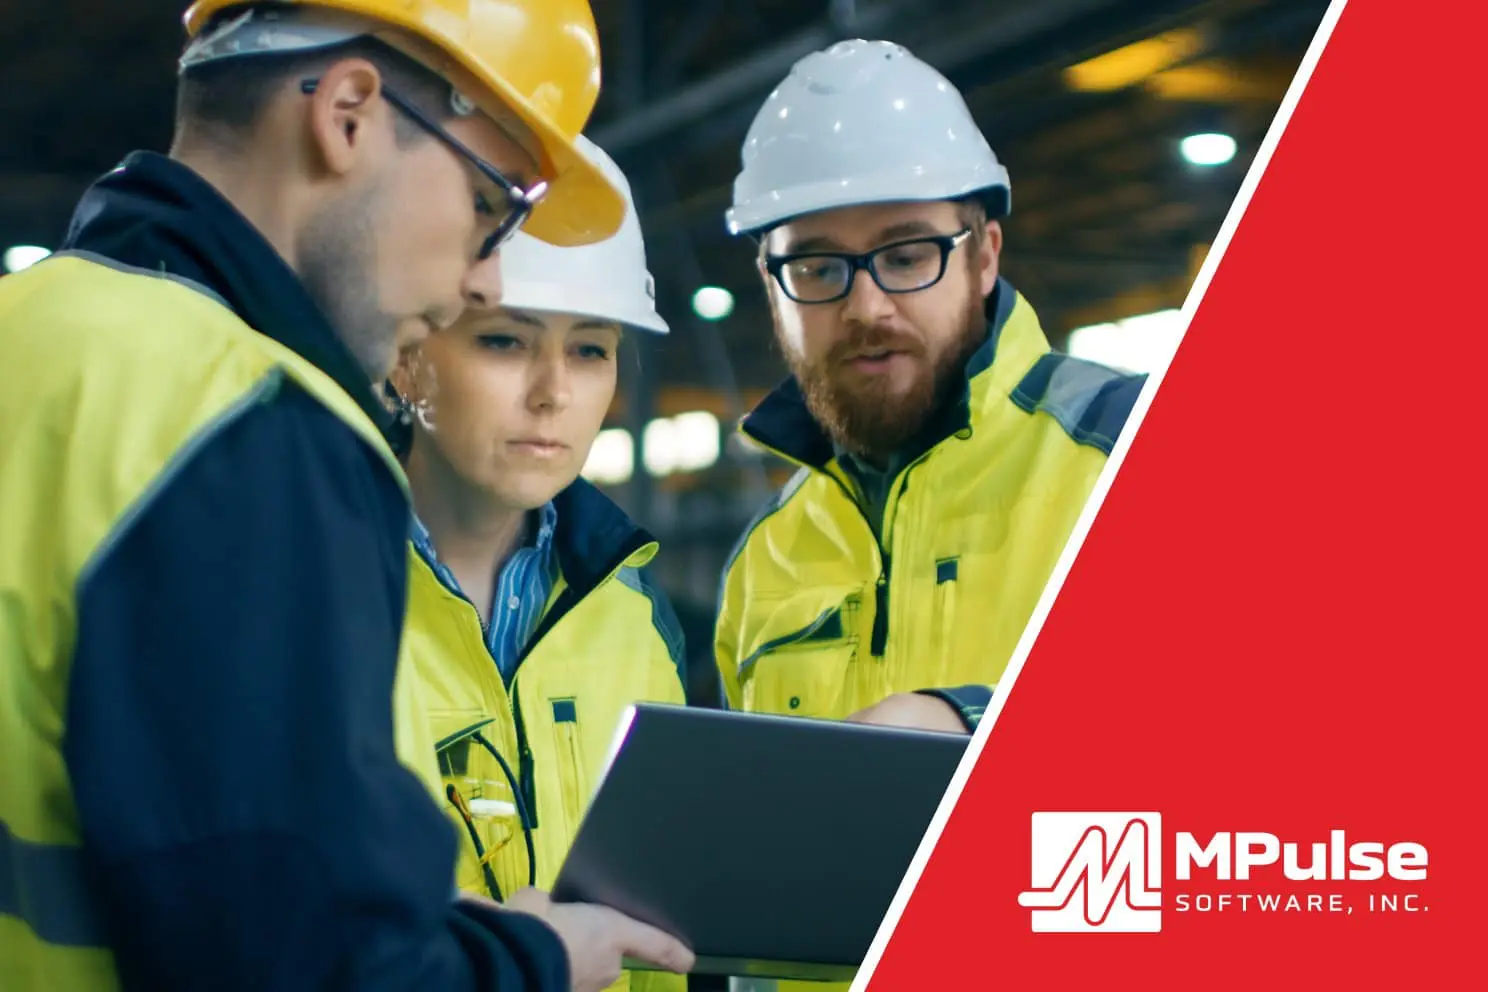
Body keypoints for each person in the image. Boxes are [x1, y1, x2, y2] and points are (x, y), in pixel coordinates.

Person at [0, 2, 691, 990]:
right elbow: (309, 964)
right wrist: (532, 958)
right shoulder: (250, 422)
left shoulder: (29, 329)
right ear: (351, 115)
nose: (479, 279)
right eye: (489, 204)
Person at [714, 41, 1146, 796]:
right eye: (817, 268)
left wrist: (972, 728)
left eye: (907, 254)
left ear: (984, 259)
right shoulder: (767, 559)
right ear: (770, 285)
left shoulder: (1125, 448)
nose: (866, 307)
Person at [389, 135, 689, 992]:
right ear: (411, 358)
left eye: (591, 350)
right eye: (506, 343)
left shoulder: (634, 611)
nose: (555, 391)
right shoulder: (316, 591)